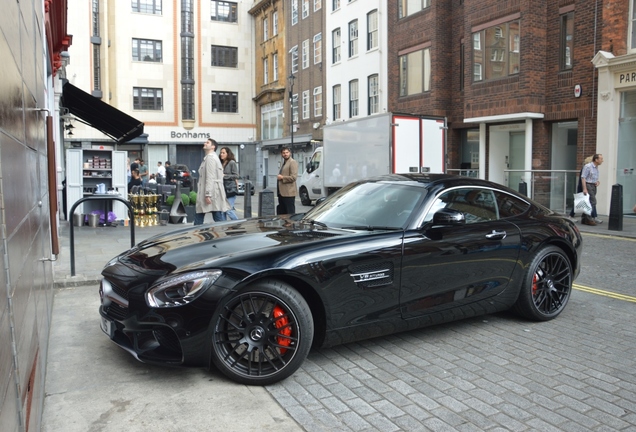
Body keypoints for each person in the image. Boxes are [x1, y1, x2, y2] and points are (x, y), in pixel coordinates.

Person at [194, 138, 230, 225]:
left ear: (213, 147)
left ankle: (197, 234)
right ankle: (223, 233)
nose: (205, 143)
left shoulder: (210, 158)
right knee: (215, 215)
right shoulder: (211, 158)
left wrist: (208, 194)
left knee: (202, 216)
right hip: (213, 191)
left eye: (207, 142)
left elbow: (210, 177)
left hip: (211, 192)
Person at [581, 153, 604, 226]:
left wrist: (597, 182)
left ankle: (584, 218)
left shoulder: (596, 167)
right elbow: (583, 177)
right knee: (593, 202)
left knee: (589, 202)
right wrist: (584, 188)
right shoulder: (588, 166)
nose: (602, 160)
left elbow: (594, 178)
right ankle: (589, 219)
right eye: (601, 159)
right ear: (596, 159)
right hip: (588, 185)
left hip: (593, 186)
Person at [276, 147, 298, 215]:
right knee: (282, 214)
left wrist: (282, 177)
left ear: (290, 153)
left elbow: (293, 177)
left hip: (289, 193)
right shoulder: (284, 163)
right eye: (283, 153)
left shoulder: (292, 162)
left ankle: (291, 225)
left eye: (287, 152)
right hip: (282, 193)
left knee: (290, 214)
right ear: (281, 154)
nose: (285, 154)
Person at [220, 146, 239, 220]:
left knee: (228, 210)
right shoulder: (221, 163)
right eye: (221, 153)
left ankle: (237, 223)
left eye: (223, 153)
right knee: (222, 211)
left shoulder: (232, 163)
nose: (221, 154)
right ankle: (223, 226)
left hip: (230, 189)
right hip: (223, 190)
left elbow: (236, 175)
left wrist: (225, 176)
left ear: (228, 154)